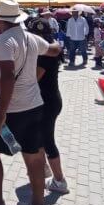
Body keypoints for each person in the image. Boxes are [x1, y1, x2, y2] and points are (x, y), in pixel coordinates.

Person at [0, 0, 61, 205]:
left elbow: (7, 75)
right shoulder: (31, 38)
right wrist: (59, 46)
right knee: (34, 157)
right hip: (35, 105)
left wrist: (1, 112)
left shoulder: (3, 42)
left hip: (11, 108)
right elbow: (52, 49)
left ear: (1, 21)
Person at [30, 20, 68, 194]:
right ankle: (44, 168)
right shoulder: (50, 48)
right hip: (49, 100)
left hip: (47, 102)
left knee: (47, 141)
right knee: (38, 137)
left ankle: (59, 180)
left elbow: (34, 79)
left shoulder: (44, 54)